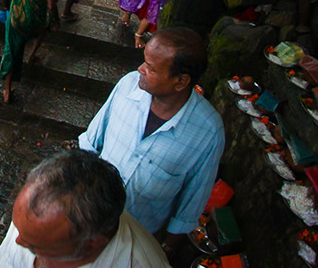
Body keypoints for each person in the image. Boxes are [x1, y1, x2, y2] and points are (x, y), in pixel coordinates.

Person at [78, 28, 224, 262]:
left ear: (181, 81)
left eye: (151, 68)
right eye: (144, 62)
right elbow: (90, 143)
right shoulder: (127, 86)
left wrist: (162, 251)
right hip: (88, 215)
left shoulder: (208, 132)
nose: (140, 70)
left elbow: (190, 206)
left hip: (137, 240)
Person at [0, 150, 170, 268]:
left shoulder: (140, 262)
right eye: (18, 226)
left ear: (92, 244)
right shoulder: (32, 217)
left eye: (35, 246)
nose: (18, 241)